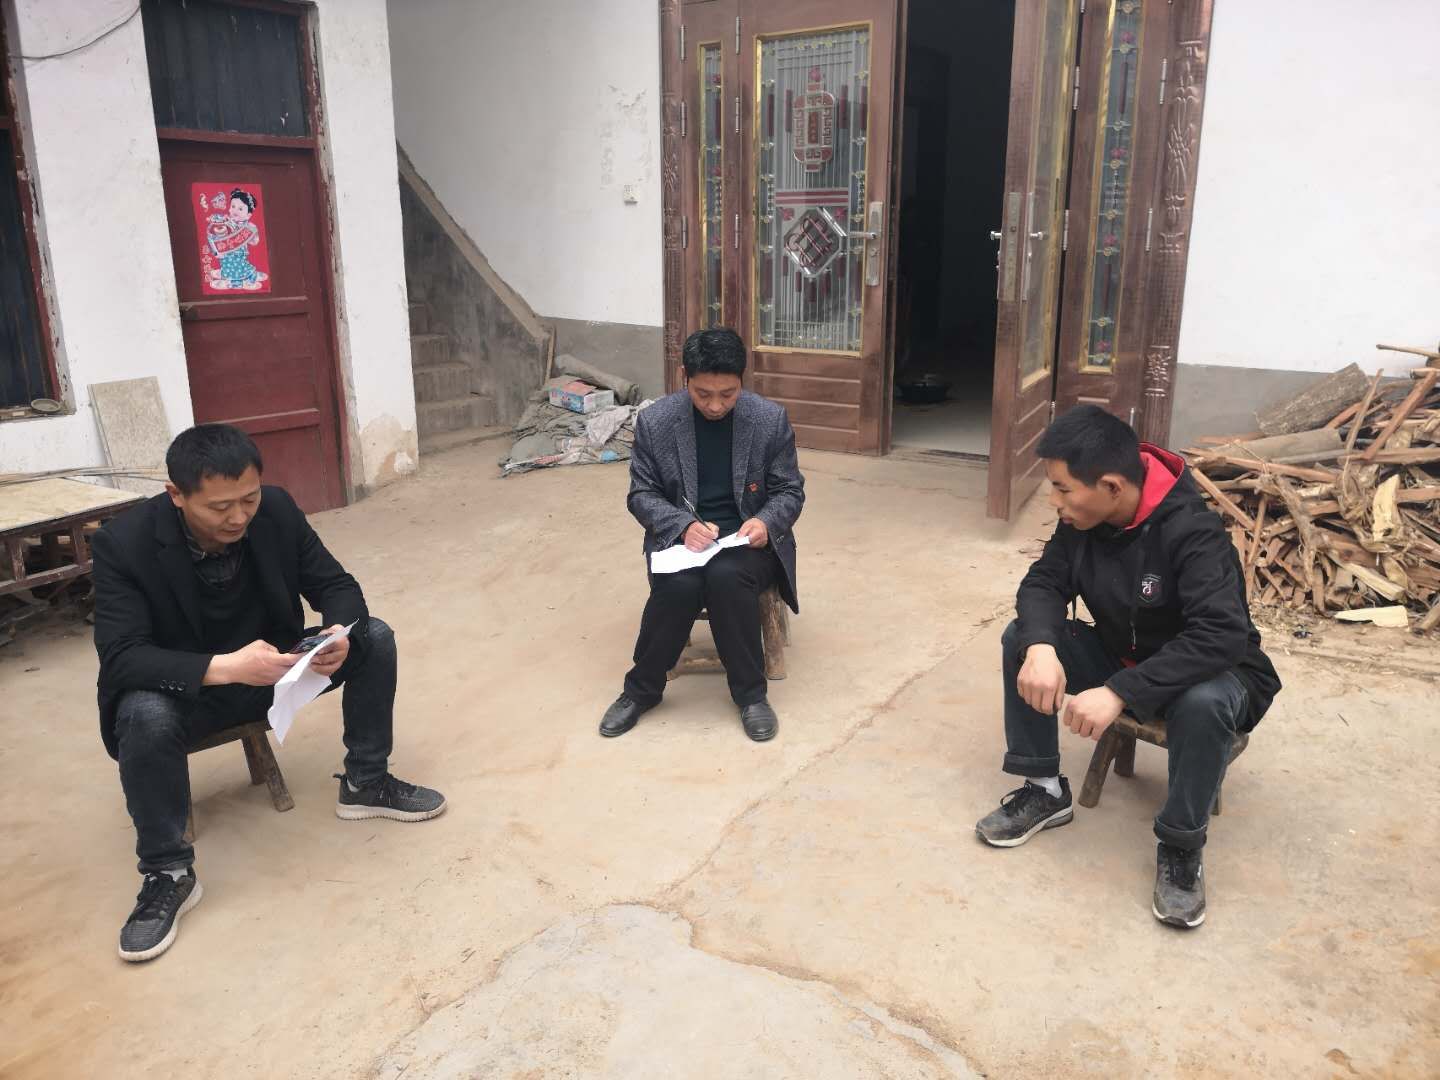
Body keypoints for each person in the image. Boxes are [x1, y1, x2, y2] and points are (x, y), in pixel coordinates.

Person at [92, 424, 445, 963]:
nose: (238, 517)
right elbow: (122, 656)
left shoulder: (276, 510)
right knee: (142, 711)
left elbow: (336, 585)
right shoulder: (124, 543)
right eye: (219, 507)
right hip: (190, 690)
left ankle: (366, 783)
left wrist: (337, 633)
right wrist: (226, 667)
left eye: (249, 499)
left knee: (374, 637)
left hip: (277, 671)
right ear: (176, 495)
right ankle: (168, 872)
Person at [975, 405, 1280, 929]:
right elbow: (1044, 582)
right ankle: (1044, 790)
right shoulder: (1083, 522)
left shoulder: (1194, 533)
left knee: (1204, 701)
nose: (1054, 502)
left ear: (1112, 487)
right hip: (1127, 652)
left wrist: (1119, 690)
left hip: (1215, 672)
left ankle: (1181, 847)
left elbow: (1220, 635)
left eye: (1063, 489)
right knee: (1019, 638)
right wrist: (1042, 647)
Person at [599, 327, 804, 742]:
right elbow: (641, 494)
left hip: (746, 542)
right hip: (683, 542)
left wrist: (765, 522)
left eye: (727, 394)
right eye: (703, 393)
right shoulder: (657, 421)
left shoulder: (768, 420)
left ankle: (751, 696)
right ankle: (640, 691)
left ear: (742, 380)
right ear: (684, 378)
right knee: (680, 585)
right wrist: (682, 526)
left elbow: (789, 490)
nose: (715, 405)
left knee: (727, 577)